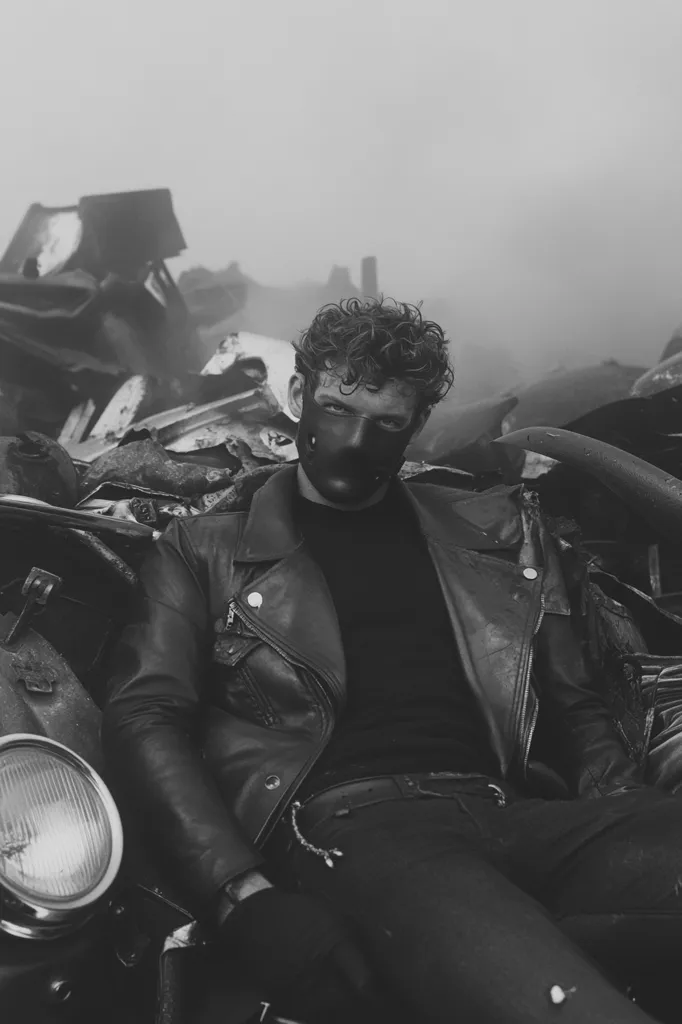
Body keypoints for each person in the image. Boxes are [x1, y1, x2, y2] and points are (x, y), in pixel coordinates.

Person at [103, 298, 682, 1024]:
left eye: (385, 422)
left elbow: (575, 704)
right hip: (355, 827)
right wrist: (239, 893)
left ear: (417, 426)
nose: (353, 439)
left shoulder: (496, 533)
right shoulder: (203, 550)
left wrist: (626, 806)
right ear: (299, 396)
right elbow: (146, 715)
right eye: (338, 407)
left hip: (515, 810)